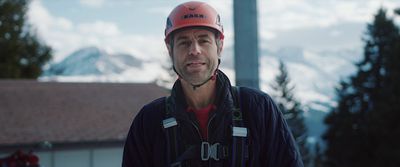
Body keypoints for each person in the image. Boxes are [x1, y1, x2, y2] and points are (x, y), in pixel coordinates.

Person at [122, 1, 303, 167]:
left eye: (204, 40)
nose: (194, 50)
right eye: (184, 42)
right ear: (170, 50)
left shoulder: (258, 109)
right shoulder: (149, 121)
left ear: (219, 46)